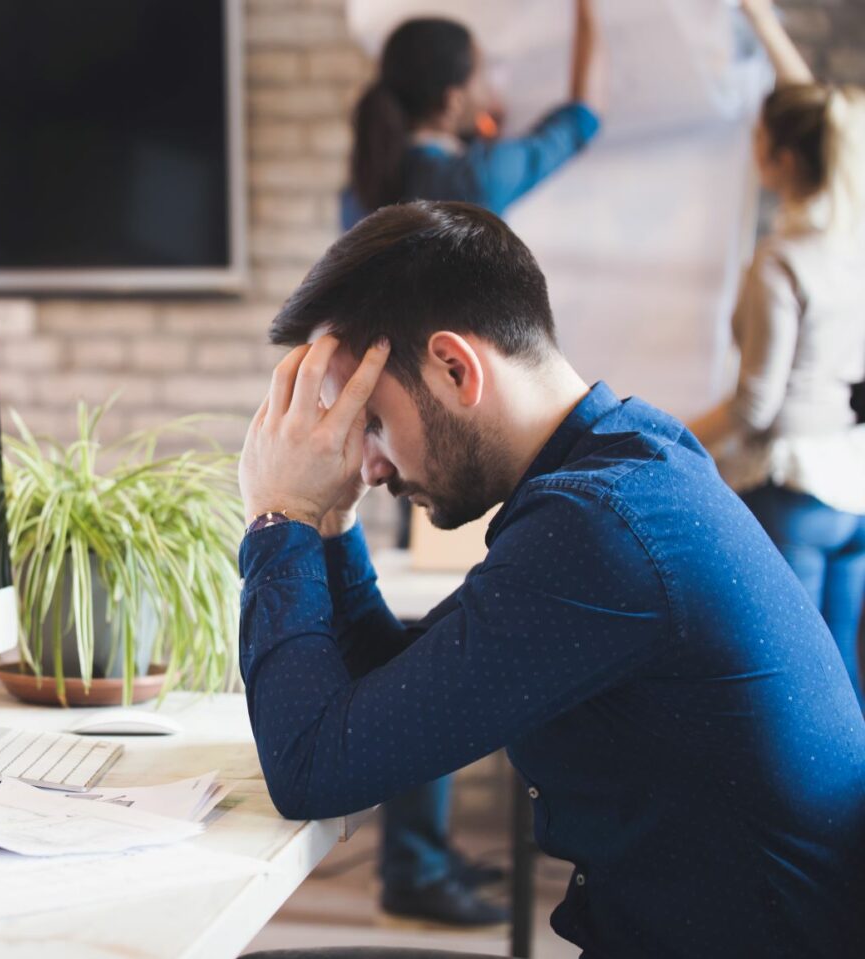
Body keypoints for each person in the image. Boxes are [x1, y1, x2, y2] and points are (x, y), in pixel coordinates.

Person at [236, 201, 865, 957]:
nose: (366, 464)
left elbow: (311, 767)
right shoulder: (625, 465)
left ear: (455, 368)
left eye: (369, 422)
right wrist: (329, 522)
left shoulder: (604, 528)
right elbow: (386, 692)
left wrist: (281, 514)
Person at [342, 2, 605, 926]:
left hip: (373, 429)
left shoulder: (367, 180)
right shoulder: (463, 179)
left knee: (415, 642)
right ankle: (416, 862)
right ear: (455, 94)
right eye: (483, 75)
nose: (494, 91)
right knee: (435, 656)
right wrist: (590, 30)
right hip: (423, 432)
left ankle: (421, 854)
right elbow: (574, 126)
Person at [689, 0, 865, 712]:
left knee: (788, 693)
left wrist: (664, 433)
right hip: (851, 489)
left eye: (758, 137)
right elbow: (820, 110)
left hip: (790, 489)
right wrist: (760, 20)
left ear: (782, 158)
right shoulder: (852, 241)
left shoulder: (781, 262)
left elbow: (755, 407)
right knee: (844, 687)